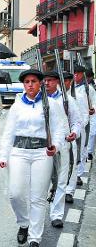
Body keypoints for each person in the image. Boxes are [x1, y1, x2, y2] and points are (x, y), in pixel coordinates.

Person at [0, 69, 65, 247]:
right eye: (26, 81)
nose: (30, 84)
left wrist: (55, 146)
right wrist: (3, 155)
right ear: (23, 84)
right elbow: (8, 132)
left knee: (38, 197)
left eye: (33, 81)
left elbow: (59, 130)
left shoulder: (51, 104)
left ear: (40, 83)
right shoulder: (17, 105)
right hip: (18, 152)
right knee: (15, 194)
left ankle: (35, 237)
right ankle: (23, 223)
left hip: (42, 153)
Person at [44, 71, 82, 228]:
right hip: (44, 147)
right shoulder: (39, 100)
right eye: (44, 81)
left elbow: (77, 121)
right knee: (42, 182)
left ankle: (57, 215)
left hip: (64, 144)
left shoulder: (68, 100)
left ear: (57, 82)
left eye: (50, 81)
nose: (46, 83)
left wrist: (75, 132)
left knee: (61, 181)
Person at [66, 64, 96, 203]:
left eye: (78, 74)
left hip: (83, 125)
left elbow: (93, 104)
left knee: (81, 151)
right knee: (70, 154)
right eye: (74, 74)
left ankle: (77, 174)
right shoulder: (66, 89)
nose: (76, 76)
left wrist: (92, 110)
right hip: (68, 126)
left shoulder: (87, 89)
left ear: (82, 75)